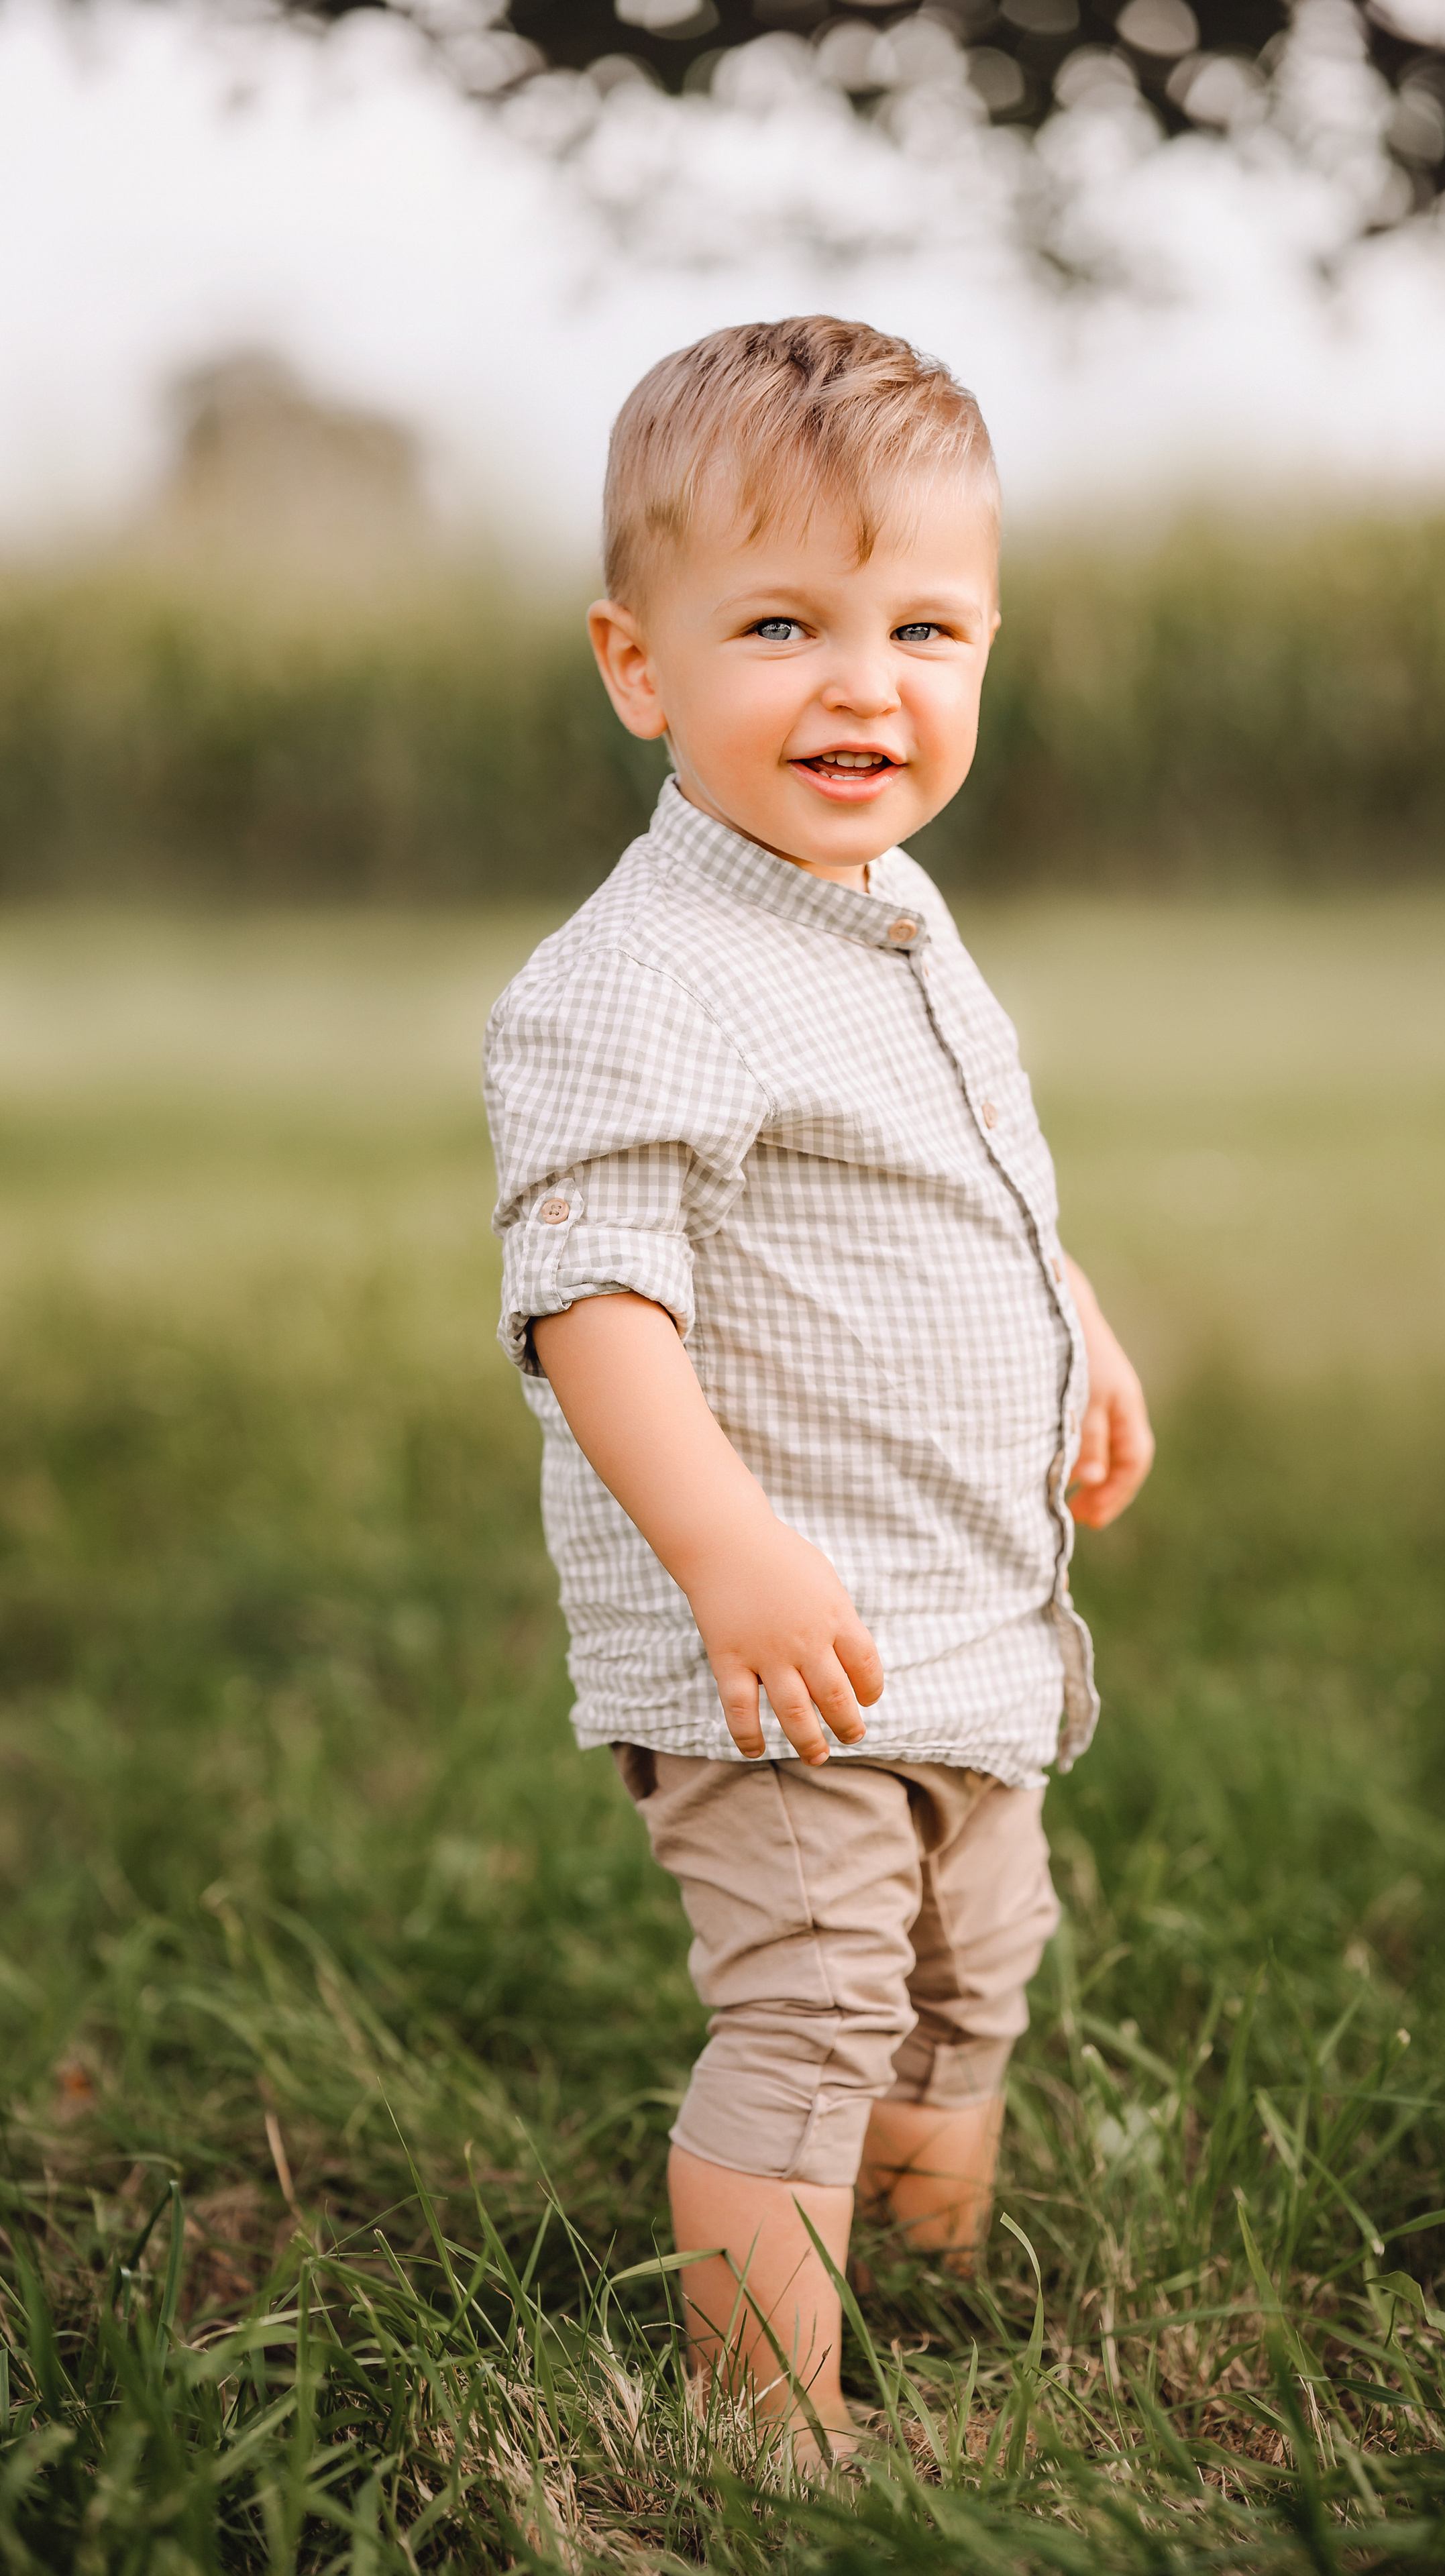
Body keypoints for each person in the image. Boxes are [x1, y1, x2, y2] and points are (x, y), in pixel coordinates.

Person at [483, 315, 1153, 2465]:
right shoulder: (639, 977)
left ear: (985, 648)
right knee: (817, 2006)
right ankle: (768, 2425)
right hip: (780, 1640)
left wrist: (1074, 1318)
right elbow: (589, 1293)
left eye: (923, 629)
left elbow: (966, 1168)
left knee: (976, 1977)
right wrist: (727, 1552)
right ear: (640, 666)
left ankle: (935, 2296)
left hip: (955, 1618)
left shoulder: (892, 915)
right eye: (782, 625)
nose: (865, 684)